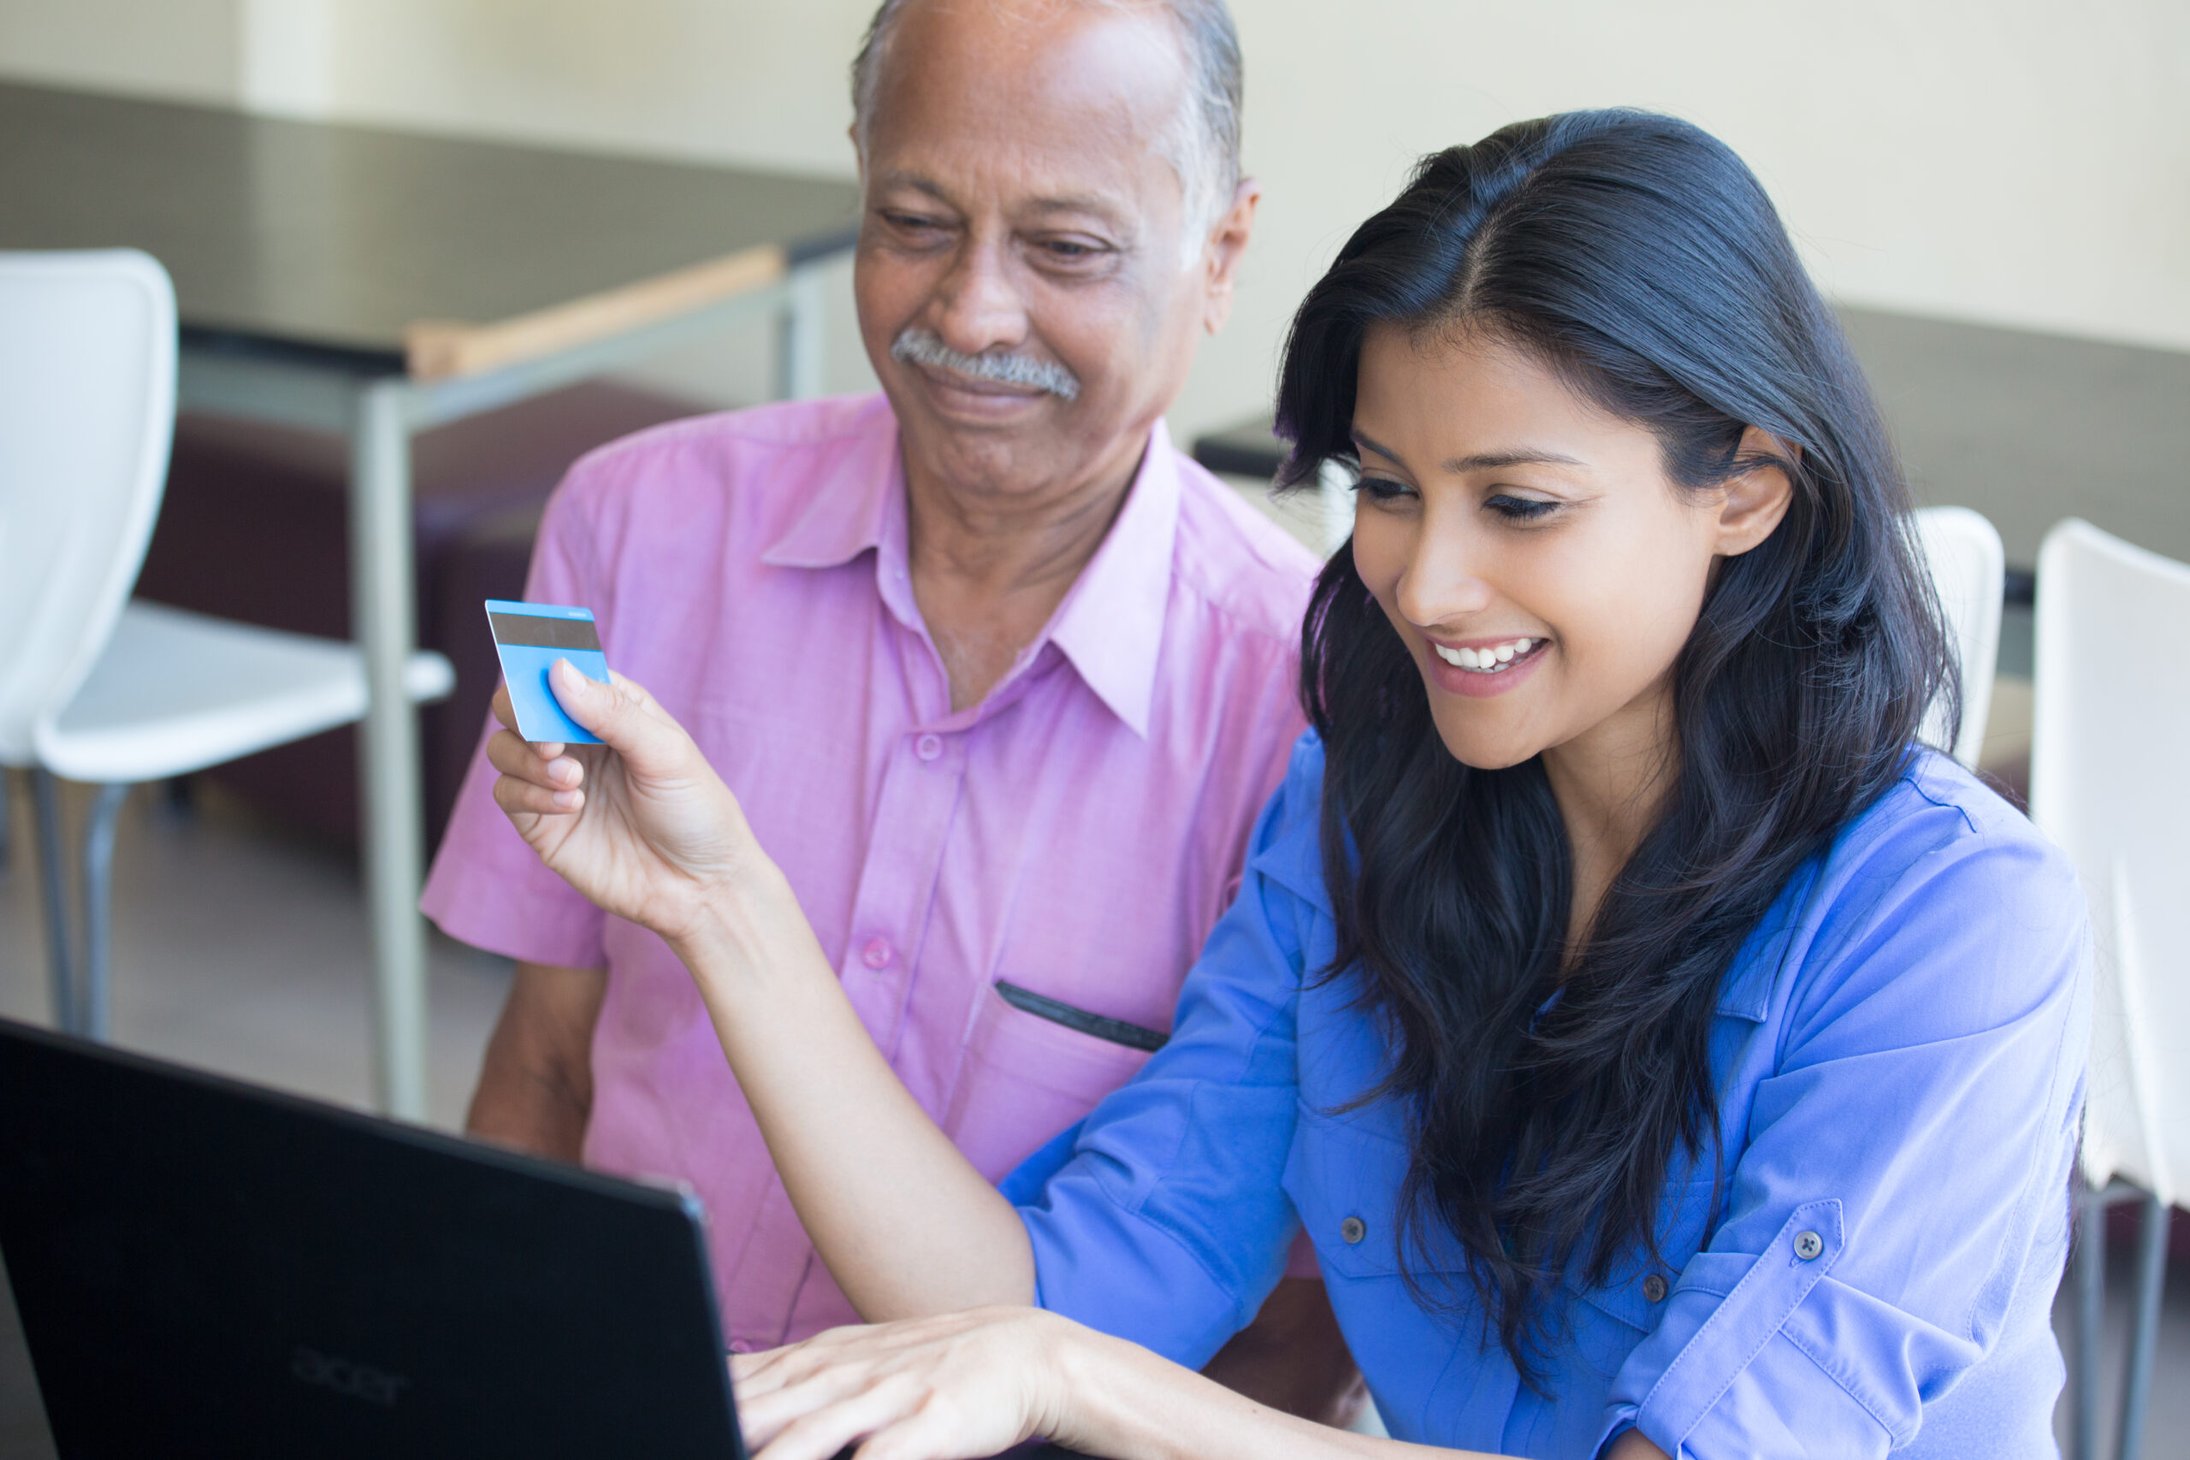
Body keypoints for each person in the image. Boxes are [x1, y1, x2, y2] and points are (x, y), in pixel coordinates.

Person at [481, 109, 2090, 1459]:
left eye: (1518, 504)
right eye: (1384, 489)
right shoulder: (1359, 823)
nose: (1425, 583)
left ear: (1740, 492)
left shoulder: (1951, 927)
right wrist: (723, 904)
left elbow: (1059, 1355)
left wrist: (1073, 1378)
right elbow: (1039, 1293)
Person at [422, 0, 1362, 1417]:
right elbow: (545, 1066)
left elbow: (1290, 1340)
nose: (971, 313)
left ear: (1217, 253)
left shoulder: (1318, 716)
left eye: (1065, 249)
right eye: (914, 220)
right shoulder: (633, 523)